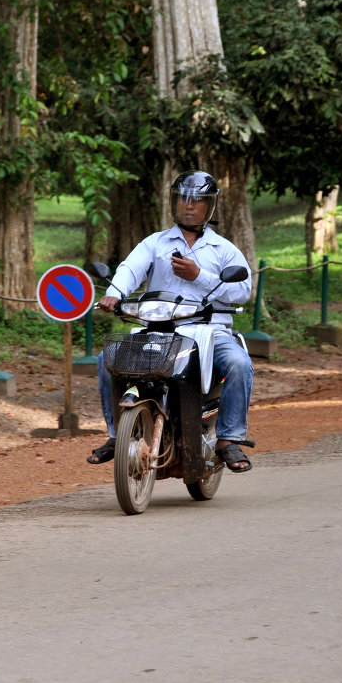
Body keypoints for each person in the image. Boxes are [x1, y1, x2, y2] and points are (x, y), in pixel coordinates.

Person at [87, 170, 255, 472]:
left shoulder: (223, 249)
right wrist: (114, 293)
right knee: (105, 360)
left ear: (209, 206)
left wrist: (198, 276)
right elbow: (130, 268)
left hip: (209, 332)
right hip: (157, 330)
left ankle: (229, 439)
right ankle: (116, 435)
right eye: (182, 200)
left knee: (239, 363)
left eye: (196, 201)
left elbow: (243, 291)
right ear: (173, 203)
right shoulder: (155, 243)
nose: (188, 206)